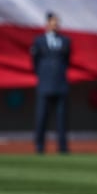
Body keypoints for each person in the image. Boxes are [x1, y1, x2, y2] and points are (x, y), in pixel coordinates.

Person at [30, 12, 72, 154]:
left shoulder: (65, 41)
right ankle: (39, 146)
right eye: (53, 22)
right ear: (47, 24)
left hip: (61, 84)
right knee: (41, 117)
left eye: (57, 23)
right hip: (45, 84)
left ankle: (62, 147)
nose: (55, 25)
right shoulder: (39, 41)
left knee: (62, 119)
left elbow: (66, 60)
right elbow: (35, 62)